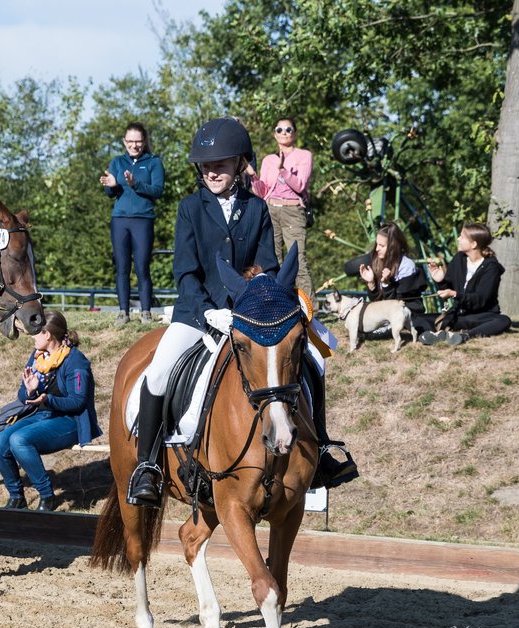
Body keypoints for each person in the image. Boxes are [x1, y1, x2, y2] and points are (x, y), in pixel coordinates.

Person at [127, 117, 357, 507]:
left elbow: (266, 265)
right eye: (206, 165)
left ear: (239, 164)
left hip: (249, 316)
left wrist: (260, 303)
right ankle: (147, 466)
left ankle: (318, 452)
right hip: (196, 314)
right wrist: (206, 313)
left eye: (221, 163)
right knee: (160, 369)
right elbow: (184, 271)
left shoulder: (257, 209)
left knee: (314, 360)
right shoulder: (189, 209)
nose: (212, 171)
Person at [0, 310, 101, 511]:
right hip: (42, 415)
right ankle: (16, 497)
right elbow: (23, 396)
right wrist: (32, 391)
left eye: (36, 332)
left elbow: (77, 402)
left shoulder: (76, 361)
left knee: (19, 440)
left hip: (70, 421)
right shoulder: (37, 357)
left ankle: (47, 495)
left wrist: (47, 398)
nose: (32, 336)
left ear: (48, 334)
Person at [100, 122, 165, 326]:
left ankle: (145, 312)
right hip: (120, 220)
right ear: (124, 142)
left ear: (144, 141)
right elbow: (110, 193)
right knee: (122, 267)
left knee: (142, 267)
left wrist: (135, 184)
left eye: (138, 141)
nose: (134, 145)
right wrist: (112, 186)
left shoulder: (154, 162)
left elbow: (158, 190)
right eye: (130, 141)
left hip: (143, 220)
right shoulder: (117, 162)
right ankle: (123, 312)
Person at [249, 116, 314, 297]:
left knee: (298, 259)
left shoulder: (304, 156)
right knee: (272, 259)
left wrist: (283, 169)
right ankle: (276, 303)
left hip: (292, 210)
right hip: (270, 209)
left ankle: (310, 309)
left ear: (295, 133)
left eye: (288, 129)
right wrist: (253, 177)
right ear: (275, 135)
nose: (283, 133)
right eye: (279, 130)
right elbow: (262, 191)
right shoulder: (269, 159)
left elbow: (300, 186)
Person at [419, 223, 511, 345]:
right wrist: (440, 280)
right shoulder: (459, 258)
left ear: (473, 244)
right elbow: (448, 290)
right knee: (417, 318)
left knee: (503, 320)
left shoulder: (491, 267)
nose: (458, 239)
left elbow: (480, 299)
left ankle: (464, 336)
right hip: (458, 315)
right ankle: (439, 335)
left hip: (481, 317)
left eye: (462, 237)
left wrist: (456, 295)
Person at [344, 222, 429, 335]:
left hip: (408, 313)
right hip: (387, 314)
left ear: (393, 246)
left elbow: (397, 304)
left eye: (382, 246)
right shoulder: (380, 262)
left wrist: (386, 284)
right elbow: (377, 301)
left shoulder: (407, 266)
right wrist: (371, 283)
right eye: (377, 244)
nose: (377, 249)